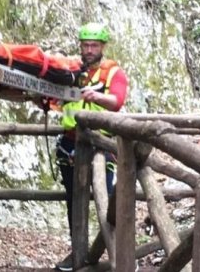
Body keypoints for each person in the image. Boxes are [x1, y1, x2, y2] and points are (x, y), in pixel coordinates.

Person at [54, 23, 128, 271]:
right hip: (70, 141)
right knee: (74, 200)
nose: (88, 50)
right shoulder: (72, 71)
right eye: (85, 45)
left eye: (93, 45)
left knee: (105, 203)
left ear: (103, 47)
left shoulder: (112, 73)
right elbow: (57, 99)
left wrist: (98, 97)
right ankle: (78, 253)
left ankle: (120, 255)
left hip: (100, 144)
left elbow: (117, 101)